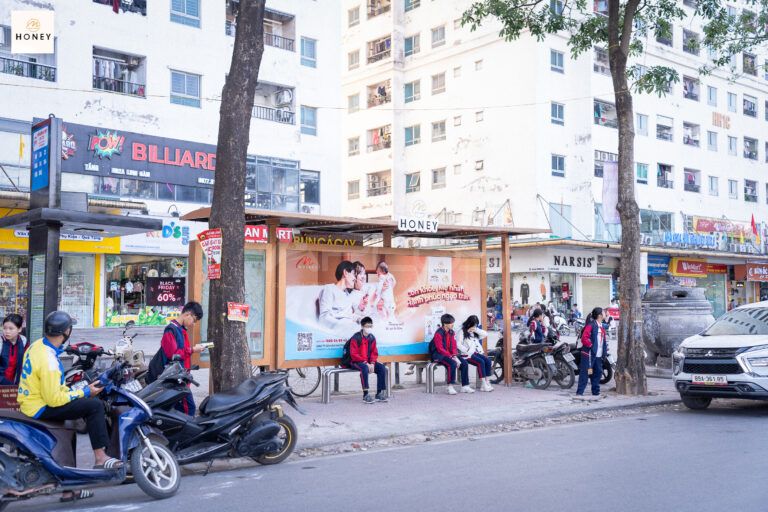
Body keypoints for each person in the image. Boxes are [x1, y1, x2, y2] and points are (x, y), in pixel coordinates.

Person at [18, 311, 122, 502]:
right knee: (94, 406)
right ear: (66, 332)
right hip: (40, 406)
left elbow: (53, 388)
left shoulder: (37, 346)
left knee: (71, 425)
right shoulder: (48, 360)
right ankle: (101, 457)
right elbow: (54, 400)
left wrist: (76, 391)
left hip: (33, 401)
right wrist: (85, 392)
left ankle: (70, 488)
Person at [160, 301, 204, 416]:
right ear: (188, 314)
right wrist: (193, 350)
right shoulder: (171, 330)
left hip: (181, 376)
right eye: (194, 320)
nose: (193, 324)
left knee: (179, 409)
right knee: (189, 408)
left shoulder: (180, 329)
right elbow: (173, 355)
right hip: (176, 378)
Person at [344, 317, 388, 404]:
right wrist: (366, 363)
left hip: (368, 362)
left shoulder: (372, 337)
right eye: (367, 326)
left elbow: (374, 352)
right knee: (364, 368)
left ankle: (379, 393)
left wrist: (372, 363)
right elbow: (353, 354)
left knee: (382, 368)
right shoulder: (356, 337)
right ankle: (365, 395)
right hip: (355, 361)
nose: (369, 328)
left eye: (371, 326)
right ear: (362, 326)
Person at [431, 314, 473, 395]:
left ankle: (465, 386)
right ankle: (450, 386)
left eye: (453, 322)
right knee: (452, 363)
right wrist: (451, 357)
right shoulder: (438, 333)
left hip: (449, 354)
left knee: (464, 363)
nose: (452, 324)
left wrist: (454, 355)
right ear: (445, 324)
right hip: (438, 355)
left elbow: (453, 346)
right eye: (451, 323)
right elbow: (440, 349)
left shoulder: (451, 332)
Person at [576, 307, 608, 397]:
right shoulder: (590, 325)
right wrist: (591, 346)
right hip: (589, 355)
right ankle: (579, 393)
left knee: (598, 373)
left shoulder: (601, 326)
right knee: (586, 373)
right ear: (599, 315)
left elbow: (603, 341)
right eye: (604, 312)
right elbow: (584, 338)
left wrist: (604, 352)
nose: (606, 314)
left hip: (598, 355)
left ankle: (596, 392)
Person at [318, 260, 358, 333]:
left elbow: (349, 316)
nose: (355, 278)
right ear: (345, 272)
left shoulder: (347, 294)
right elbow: (324, 318)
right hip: (340, 331)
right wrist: (343, 326)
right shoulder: (329, 289)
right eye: (353, 274)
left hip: (352, 329)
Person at [458, 315, 493, 392]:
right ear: (469, 323)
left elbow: (485, 334)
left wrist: (476, 329)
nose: (474, 326)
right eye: (473, 325)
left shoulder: (475, 331)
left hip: (475, 353)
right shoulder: (462, 331)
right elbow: (458, 344)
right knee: (481, 362)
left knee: (488, 361)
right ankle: (484, 384)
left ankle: (486, 382)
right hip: (466, 355)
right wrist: (467, 350)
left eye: (476, 325)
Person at [0, 314, 27, 385]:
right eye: (4, 328)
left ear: (19, 329)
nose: (7, 331)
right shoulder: (1, 342)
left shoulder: (23, 342)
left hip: (17, 384)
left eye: (11, 328)